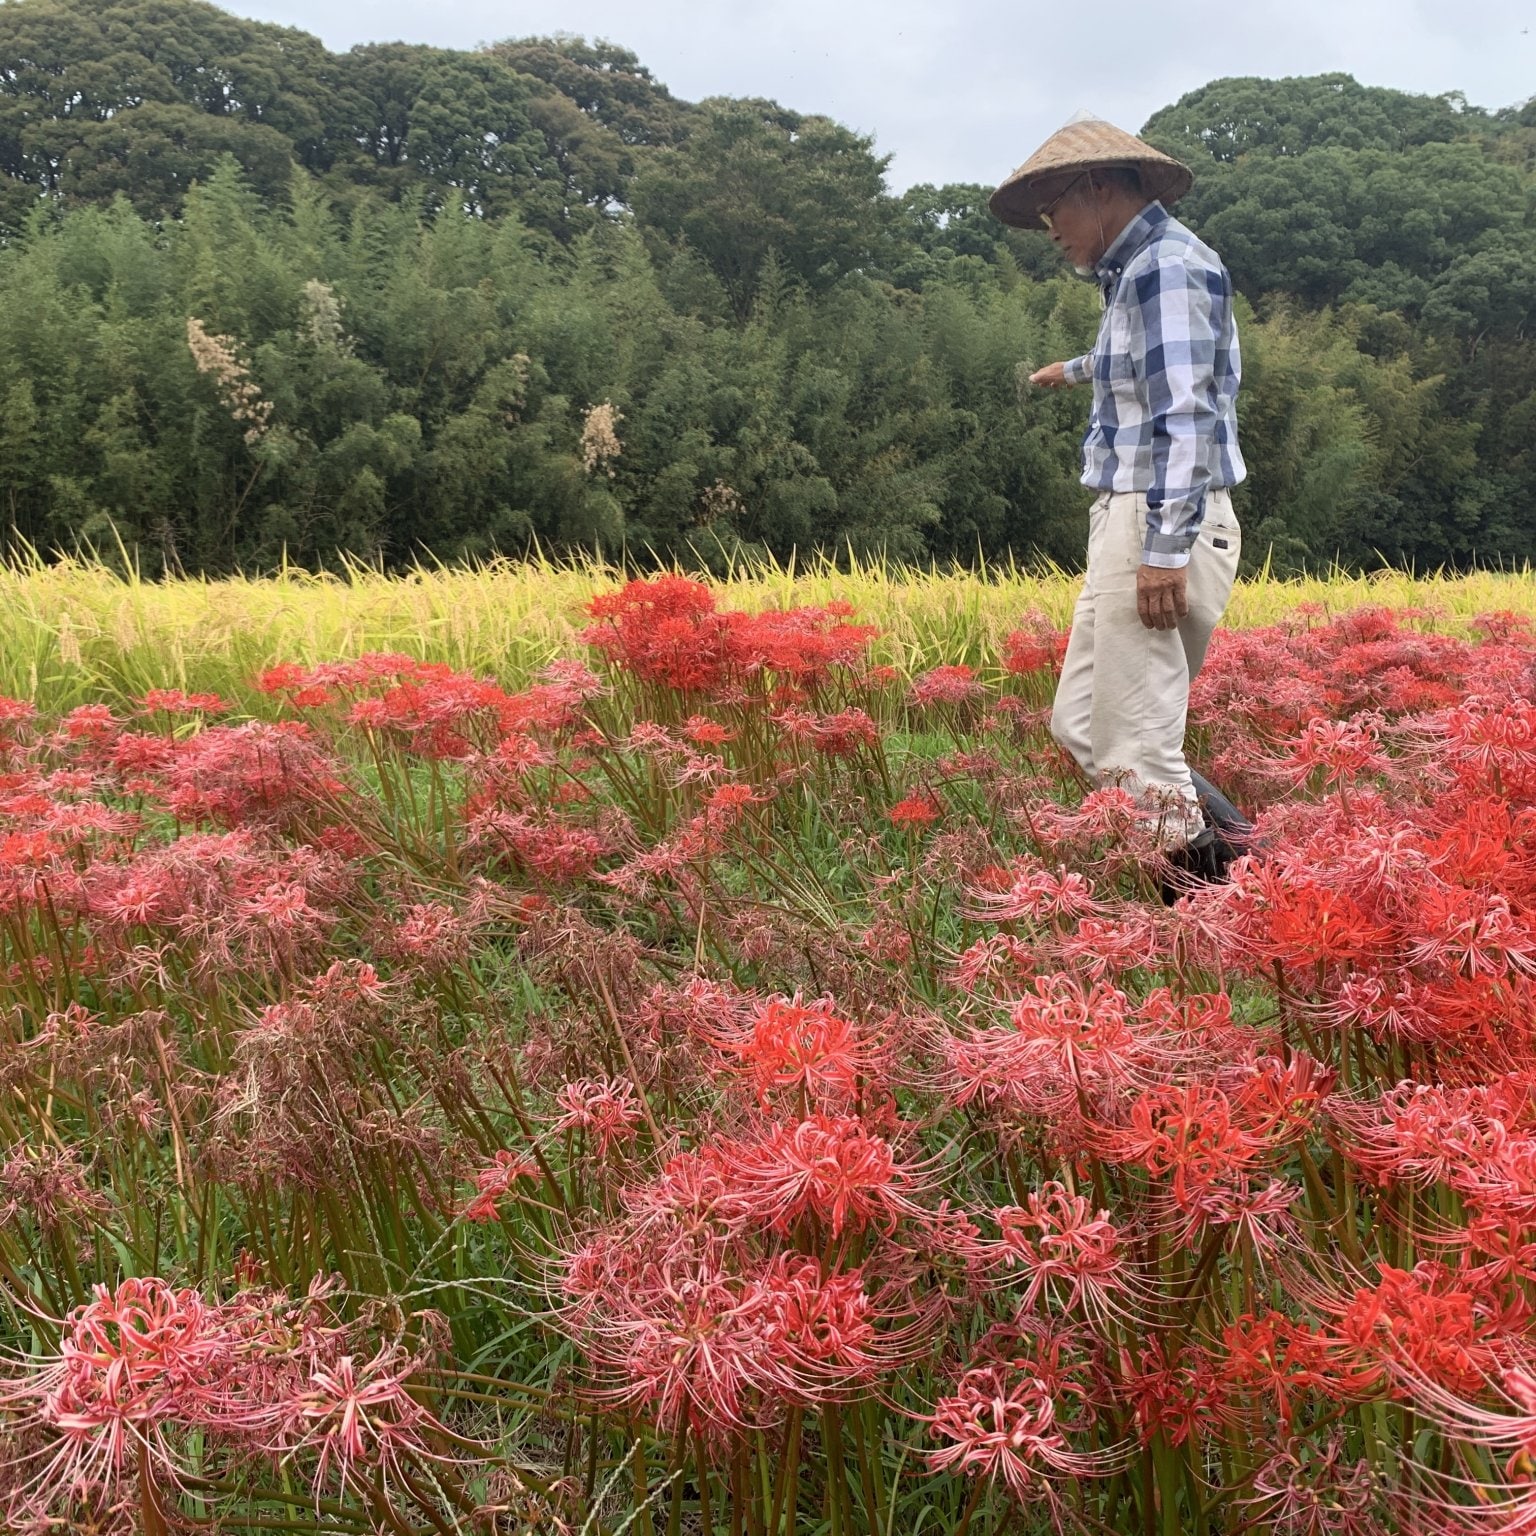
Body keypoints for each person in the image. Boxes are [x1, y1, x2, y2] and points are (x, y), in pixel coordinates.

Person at [990, 113, 1248, 881]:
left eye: (1053, 212)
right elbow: (1134, 363)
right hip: (1137, 512)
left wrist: (1164, 550)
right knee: (1082, 727)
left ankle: (1216, 934)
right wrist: (1065, 371)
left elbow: (1186, 412)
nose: (1050, 231)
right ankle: (1251, 864)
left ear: (1098, 187)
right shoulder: (1137, 275)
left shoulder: (1165, 268)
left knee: (1135, 754)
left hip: (1155, 515)